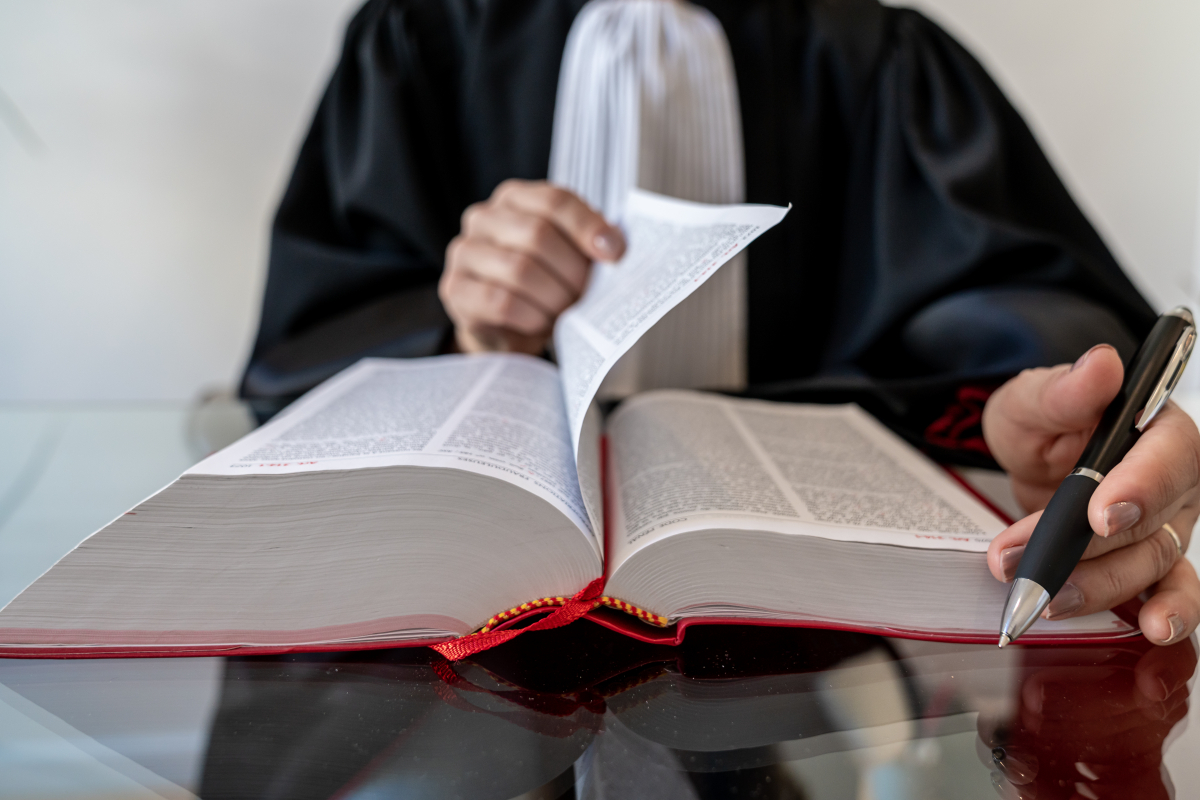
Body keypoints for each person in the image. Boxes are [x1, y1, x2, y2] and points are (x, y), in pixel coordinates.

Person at [239, 0, 1200, 645]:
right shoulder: (416, 38)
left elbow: (1032, 341)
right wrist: (460, 328)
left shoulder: (872, 54)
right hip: (445, 625)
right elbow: (305, 342)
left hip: (803, 651)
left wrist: (1042, 425)